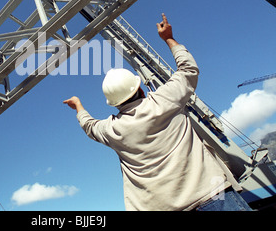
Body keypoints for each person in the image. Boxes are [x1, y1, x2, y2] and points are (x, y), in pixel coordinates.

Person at [63, 13, 252, 211]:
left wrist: (78, 106)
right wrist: (168, 38)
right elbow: (188, 69)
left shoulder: (112, 130)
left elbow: (89, 125)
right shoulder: (165, 99)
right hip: (211, 195)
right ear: (140, 88)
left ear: (114, 104)